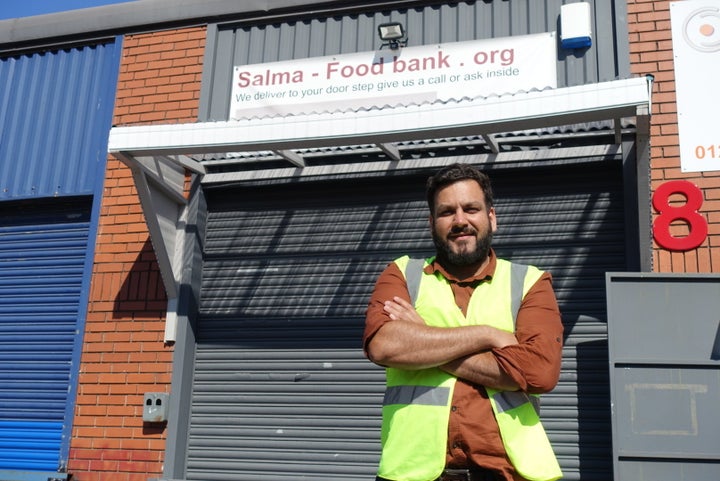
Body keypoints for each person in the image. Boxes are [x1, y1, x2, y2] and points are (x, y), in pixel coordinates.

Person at [363, 163, 564, 481]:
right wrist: (488, 335)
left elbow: (540, 371)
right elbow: (384, 346)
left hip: (509, 471)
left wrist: (423, 338)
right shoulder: (402, 274)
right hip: (412, 471)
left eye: (471, 208)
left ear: (491, 218)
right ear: (431, 223)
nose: (460, 221)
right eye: (447, 212)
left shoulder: (530, 281)